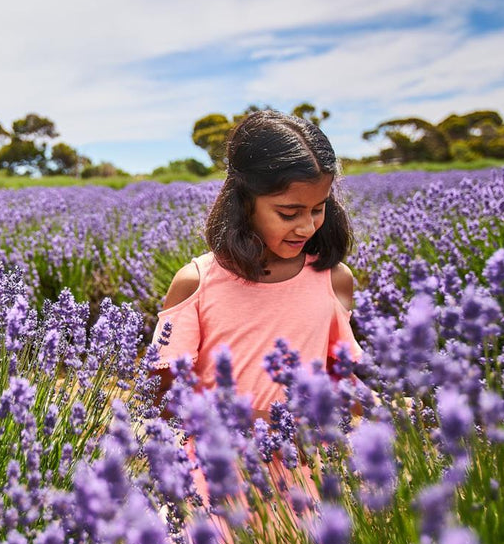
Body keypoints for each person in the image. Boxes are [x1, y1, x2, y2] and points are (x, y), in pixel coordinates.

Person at [151, 108, 361, 421]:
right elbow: (162, 397)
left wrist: (390, 406)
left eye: (319, 209)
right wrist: (269, 423)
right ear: (245, 202)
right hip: (218, 465)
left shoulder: (333, 279)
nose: (307, 227)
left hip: (308, 468)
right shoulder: (196, 284)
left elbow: (337, 377)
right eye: (289, 214)